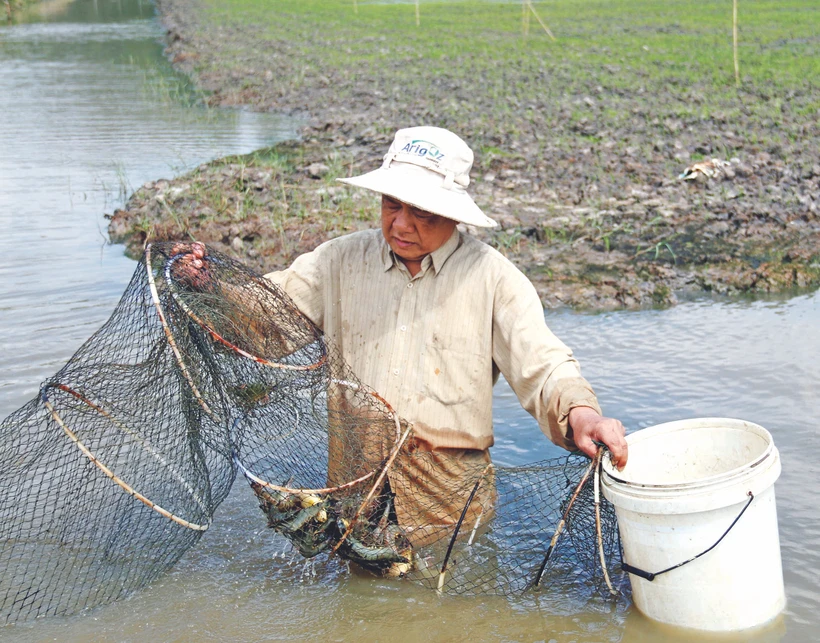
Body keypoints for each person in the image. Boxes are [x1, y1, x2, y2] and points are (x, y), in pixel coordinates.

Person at [176, 126, 627, 547]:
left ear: (453, 214)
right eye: (392, 204)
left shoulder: (494, 280)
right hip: (354, 492)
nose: (401, 224)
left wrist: (582, 415)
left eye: (422, 212)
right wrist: (211, 288)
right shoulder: (339, 261)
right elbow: (267, 316)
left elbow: (545, 367)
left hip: (449, 504)